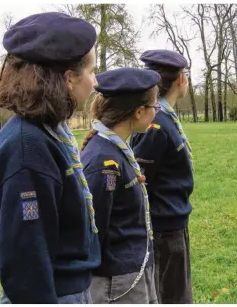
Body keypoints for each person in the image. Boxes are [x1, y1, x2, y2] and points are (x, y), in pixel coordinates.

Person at [0, 12, 100, 304]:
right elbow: (27, 267)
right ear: (69, 78)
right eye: (91, 70)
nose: (96, 82)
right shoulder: (28, 147)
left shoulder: (49, 129)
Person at [80, 68, 161, 303]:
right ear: (138, 112)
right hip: (118, 281)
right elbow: (95, 232)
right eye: (154, 107)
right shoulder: (104, 162)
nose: (156, 113)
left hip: (132, 271)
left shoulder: (115, 150)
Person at [130, 49, 194, 304]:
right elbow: (142, 180)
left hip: (171, 222)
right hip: (163, 230)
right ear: (180, 79)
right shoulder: (157, 124)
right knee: (171, 297)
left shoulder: (164, 117)